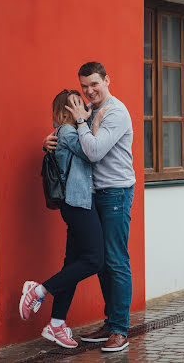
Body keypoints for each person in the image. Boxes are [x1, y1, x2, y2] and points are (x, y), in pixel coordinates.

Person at [43, 61, 135, 352]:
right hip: (95, 195)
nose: (89, 90)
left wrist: (81, 122)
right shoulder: (89, 111)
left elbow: (93, 152)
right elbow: (72, 141)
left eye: (94, 84)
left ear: (107, 80)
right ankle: (111, 323)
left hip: (115, 193)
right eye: (84, 86)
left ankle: (120, 329)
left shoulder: (116, 112)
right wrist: (49, 142)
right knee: (103, 263)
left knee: (117, 261)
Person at [19, 90, 104, 349]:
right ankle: (38, 291)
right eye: (75, 104)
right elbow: (91, 153)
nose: (81, 107)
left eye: (81, 103)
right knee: (94, 260)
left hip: (76, 204)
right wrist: (85, 122)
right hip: (79, 205)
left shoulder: (64, 133)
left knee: (72, 265)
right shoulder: (67, 132)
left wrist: (87, 121)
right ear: (65, 110)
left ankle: (56, 324)